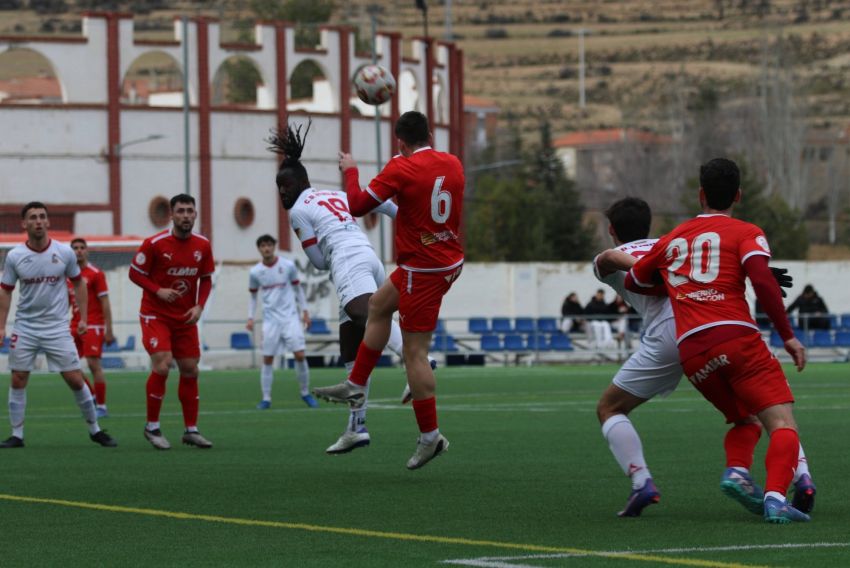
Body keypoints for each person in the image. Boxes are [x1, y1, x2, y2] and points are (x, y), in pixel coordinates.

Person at [594, 197, 814, 517]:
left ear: (611, 229)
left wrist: (643, 267)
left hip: (675, 338)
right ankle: (801, 476)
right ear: (650, 224)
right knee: (768, 409)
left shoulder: (645, 252)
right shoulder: (674, 243)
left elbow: (610, 258)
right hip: (701, 328)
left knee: (609, 408)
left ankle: (642, 482)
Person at [312, 110, 465, 470]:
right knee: (379, 306)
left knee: (415, 353)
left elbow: (356, 205)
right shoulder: (453, 163)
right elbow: (425, 181)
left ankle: (431, 437)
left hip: (422, 268)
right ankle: (356, 382)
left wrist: (350, 170)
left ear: (399, 141)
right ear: (430, 134)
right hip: (445, 258)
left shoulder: (401, 169)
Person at [267, 121, 408, 454]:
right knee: (350, 349)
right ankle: (356, 427)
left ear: (300, 182)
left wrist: (331, 253)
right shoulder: (337, 194)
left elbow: (317, 261)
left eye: (284, 186)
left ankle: (418, 357)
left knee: (366, 313)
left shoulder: (300, 209)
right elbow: (386, 206)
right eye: (279, 188)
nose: (282, 194)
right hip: (368, 255)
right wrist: (410, 219)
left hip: (346, 260)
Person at [0, 202, 116, 448]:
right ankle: (17, 435)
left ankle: (95, 430)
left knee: (75, 379)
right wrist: (1, 326)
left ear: (48, 222)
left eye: (43, 216)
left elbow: (79, 283)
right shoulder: (15, 256)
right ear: (25, 224)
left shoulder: (64, 253)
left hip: (57, 327)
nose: (39, 221)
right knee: (18, 378)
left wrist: (83, 318)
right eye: (33, 217)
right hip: (26, 327)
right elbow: (6, 292)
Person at [129, 194, 215, 451]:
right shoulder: (154, 244)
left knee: (190, 369)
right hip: (156, 314)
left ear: (195, 215)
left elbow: (207, 278)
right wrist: (158, 290)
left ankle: (191, 430)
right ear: (172, 215)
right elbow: (135, 273)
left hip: (185, 317)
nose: (186, 215)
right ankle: (152, 427)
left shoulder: (203, 245)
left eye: (190, 211)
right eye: (181, 211)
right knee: (163, 364)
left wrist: (200, 305)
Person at [247, 234, 317, 409]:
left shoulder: (288, 266)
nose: (267, 248)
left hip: (290, 318)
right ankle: (266, 398)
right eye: (263, 245)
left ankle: (305, 393)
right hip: (270, 321)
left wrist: (305, 311)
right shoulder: (255, 272)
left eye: (269, 245)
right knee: (268, 359)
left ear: (274, 247)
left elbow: (298, 289)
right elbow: (253, 297)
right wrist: (250, 317)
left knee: (300, 355)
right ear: (259, 249)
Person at [68, 238, 115, 418]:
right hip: (74, 325)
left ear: (87, 252)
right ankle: (93, 396)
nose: (79, 251)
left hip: (93, 324)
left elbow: (105, 303)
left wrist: (109, 329)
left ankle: (102, 406)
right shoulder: (68, 277)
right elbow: (66, 302)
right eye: (75, 248)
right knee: (69, 365)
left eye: (82, 248)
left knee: (94, 364)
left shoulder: (96, 274)